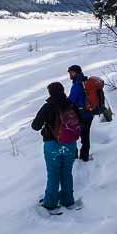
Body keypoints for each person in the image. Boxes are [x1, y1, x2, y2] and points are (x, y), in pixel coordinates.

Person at [31, 82, 79, 210]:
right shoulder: (70, 104)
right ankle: (68, 200)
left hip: (52, 144)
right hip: (70, 144)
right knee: (67, 172)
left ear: (50, 93)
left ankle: (50, 202)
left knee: (53, 174)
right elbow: (80, 122)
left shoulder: (47, 107)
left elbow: (35, 126)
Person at [68, 65, 94, 161]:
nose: (70, 74)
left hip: (81, 114)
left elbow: (72, 100)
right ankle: (84, 156)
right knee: (85, 136)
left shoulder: (78, 85)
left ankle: (78, 157)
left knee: (73, 135)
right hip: (88, 113)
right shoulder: (84, 81)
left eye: (71, 72)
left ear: (76, 73)